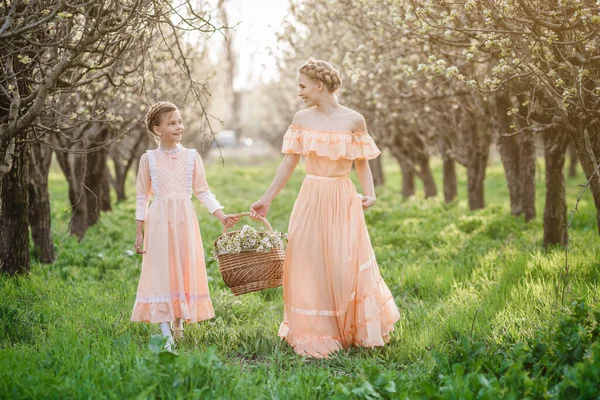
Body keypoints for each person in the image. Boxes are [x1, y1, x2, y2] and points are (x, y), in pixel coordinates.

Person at [250, 58, 400, 358]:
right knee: (306, 259)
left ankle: (347, 328)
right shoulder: (302, 119)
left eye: (303, 86)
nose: (299, 92)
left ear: (320, 85)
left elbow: (362, 163)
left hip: (342, 197)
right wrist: (267, 198)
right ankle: (314, 328)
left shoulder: (354, 120)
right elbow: (289, 162)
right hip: (311, 195)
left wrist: (369, 194)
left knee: (342, 262)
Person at [131, 101, 239, 351]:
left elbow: (202, 191)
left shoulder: (192, 157)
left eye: (180, 121)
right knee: (162, 269)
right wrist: (139, 230)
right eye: (172, 123)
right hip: (158, 221)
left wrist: (221, 215)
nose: (179, 126)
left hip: (184, 220)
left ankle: (179, 321)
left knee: (182, 265)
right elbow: (141, 197)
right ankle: (165, 331)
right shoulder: (148, 159)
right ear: (157, 130)